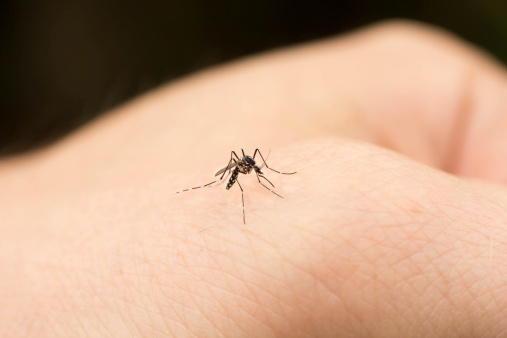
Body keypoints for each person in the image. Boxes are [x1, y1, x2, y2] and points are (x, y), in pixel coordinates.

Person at [1, 20, 507, 336]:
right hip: (228, 178)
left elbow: (255, 159)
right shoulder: (242, 171)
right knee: (243, 170)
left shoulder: (254, 160)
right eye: (252, 169)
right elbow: (246, 165)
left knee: (254, 160)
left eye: (252, 169)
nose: (253, 168)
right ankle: (229, 184)